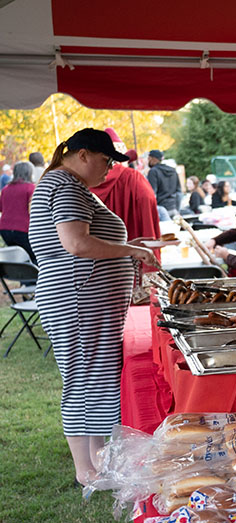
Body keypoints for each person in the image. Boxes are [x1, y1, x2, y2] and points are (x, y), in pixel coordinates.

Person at [27, 128, 161, 486]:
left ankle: (98, 463)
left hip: (83, 299)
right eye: (105, 161)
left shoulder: (68, 185)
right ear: (83, 154)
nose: (108, 170)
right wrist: (132, 250)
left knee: (91, 379)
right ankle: (88, 470)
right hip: (78, 300)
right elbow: (76, 243)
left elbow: (83, 241)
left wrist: (128, 244)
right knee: (84, 380)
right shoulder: (66, 186)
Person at [89, 129, 161, 245]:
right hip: (134, 251)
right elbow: (148, 199)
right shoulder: (132, 177)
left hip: (99, 252)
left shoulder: (87, 181)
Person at [0, 162, 36, 262]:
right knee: (35, 258)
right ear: (29, 173)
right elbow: (34, 211)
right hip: (24, 230)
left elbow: (1, 208)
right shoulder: (31, 188)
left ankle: (21, 277)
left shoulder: (5, 189)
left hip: (5, 230)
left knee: (19, 260)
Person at [146, 150, 181, 217]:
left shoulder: (153, 171)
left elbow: (152, 193)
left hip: (161, 209)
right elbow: (179, 193)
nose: (148, 161)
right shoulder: (173, 171)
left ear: (154, 158)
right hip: (173, 208)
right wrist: (177, 209)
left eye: (149, 158)